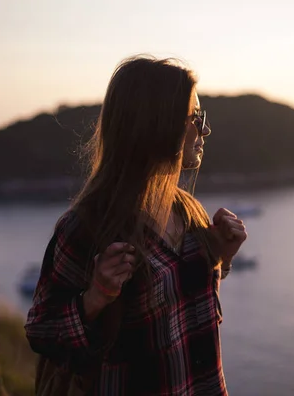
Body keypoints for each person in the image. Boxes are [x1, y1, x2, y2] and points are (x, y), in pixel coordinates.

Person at [25, 55, 248, 395]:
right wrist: (95, 297)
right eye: (195, 117)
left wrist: (221, 257)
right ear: (157, 122)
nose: (205, 129)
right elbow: (42, 331)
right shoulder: (87, 228)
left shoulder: (189, 213)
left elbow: (183, 300)